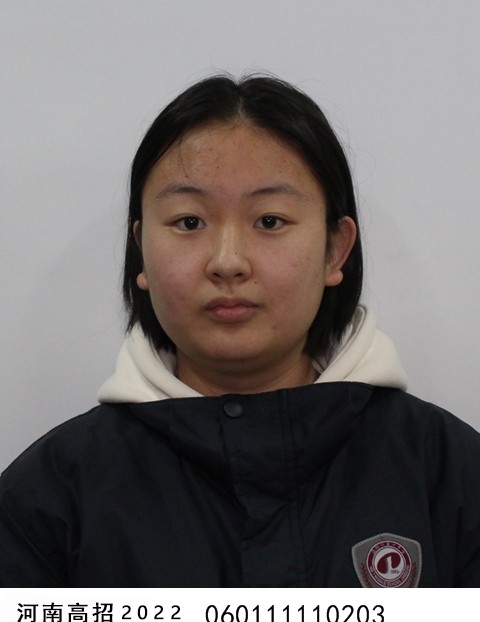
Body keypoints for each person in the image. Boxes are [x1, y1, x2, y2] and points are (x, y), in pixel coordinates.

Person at [1, 74, 480, 588]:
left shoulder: (449, 474)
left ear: (335, 250)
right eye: (189, 222)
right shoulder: (47, 497)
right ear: (141, 251)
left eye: (269, 221)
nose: (227, 262)